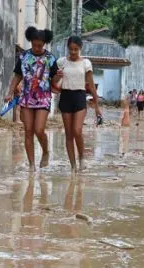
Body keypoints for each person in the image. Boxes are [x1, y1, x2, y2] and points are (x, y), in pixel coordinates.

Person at [5, 27, 58, 172]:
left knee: (39, 129)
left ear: (44, 43)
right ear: (31, 42)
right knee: (28, 130)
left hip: (43, 98)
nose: (37, 48)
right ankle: (32, 165)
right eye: (34, 45)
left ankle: (45, 151)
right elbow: (17, 76)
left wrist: (59, 76)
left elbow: (55, 80)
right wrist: (10, 92)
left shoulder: (50, 58)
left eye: (40, 45)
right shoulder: (23, 57)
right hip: (27, 98)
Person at [54, 36, 101, 172]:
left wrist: (97, 106)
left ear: (80, 48)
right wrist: (57, 75)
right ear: (67, 48)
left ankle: (81, 158)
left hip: (80, 96)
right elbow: (54, 80)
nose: (73, 52)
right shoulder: (61, 62)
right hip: (65, 96)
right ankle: (73, 166)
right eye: (71, 49)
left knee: (77, 131)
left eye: (76, 49)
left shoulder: (86, 63)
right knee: (69, 134)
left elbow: (91, 86)